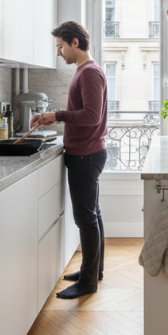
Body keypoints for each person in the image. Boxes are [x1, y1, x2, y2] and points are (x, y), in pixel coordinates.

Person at [30, 21, 108, 300]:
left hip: (86, 155)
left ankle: (88, 281)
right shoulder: (85, 71)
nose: (59, 53)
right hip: (87, 152)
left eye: (61, 46)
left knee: (85, 218)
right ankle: (93, 270)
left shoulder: (89, 73)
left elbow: (92, 116)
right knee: (93, 215)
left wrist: (58, 115)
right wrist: (56, 115)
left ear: (75, 42)